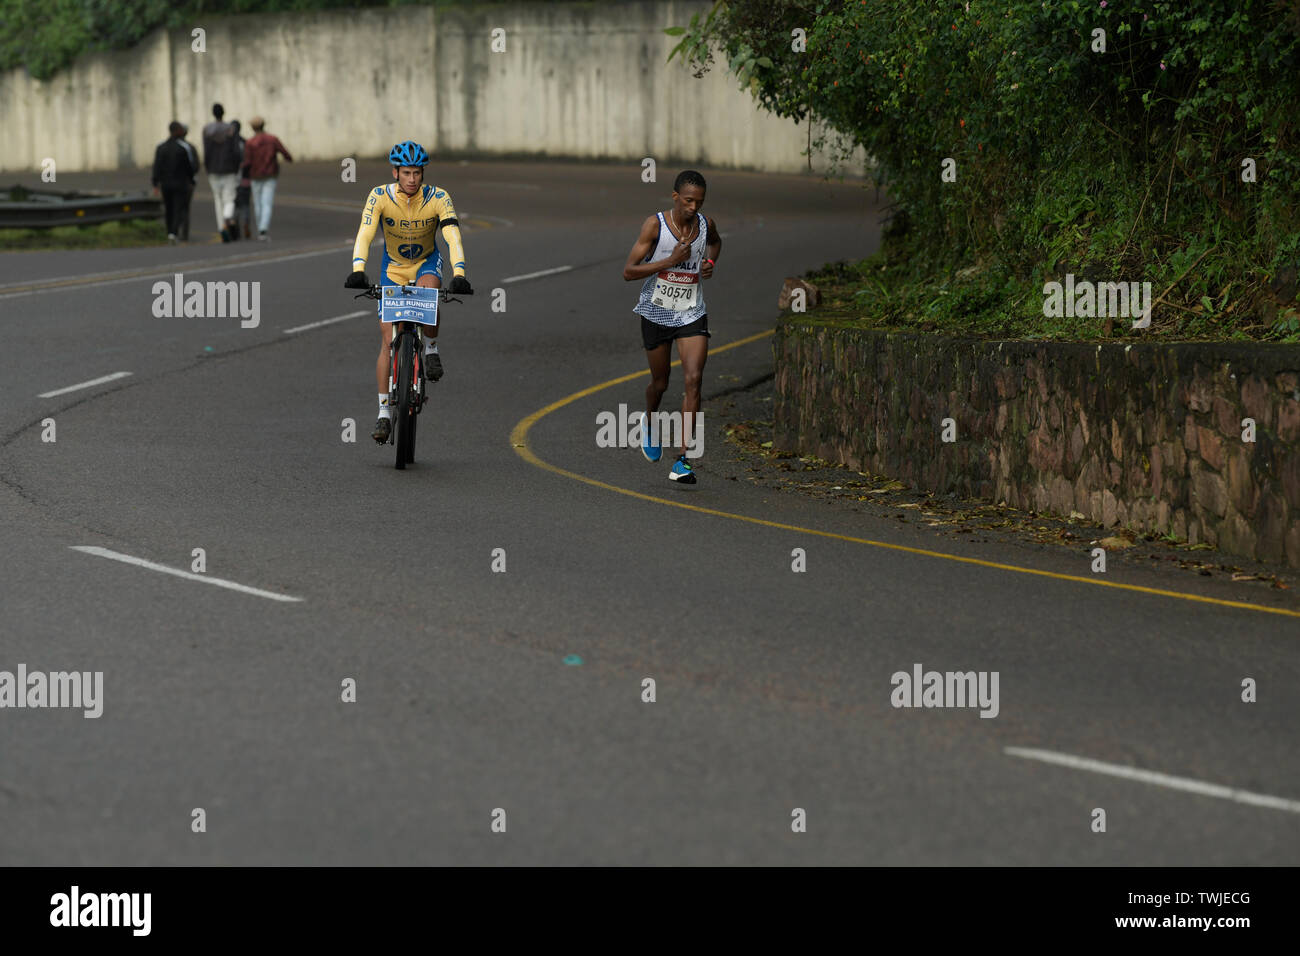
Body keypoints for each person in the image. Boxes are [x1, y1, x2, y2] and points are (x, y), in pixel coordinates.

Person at [343, 140, 473, 444]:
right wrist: (358, 268)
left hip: (426, 262)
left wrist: (460, 274)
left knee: (429, 295)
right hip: (393, 268)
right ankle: (384, 414)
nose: (412, 179)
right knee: (388, 340)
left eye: (417, 172)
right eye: (406, 173)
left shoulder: (439, 197)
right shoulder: (379, 196)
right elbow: (365, 232)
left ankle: (431, 349)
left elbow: (452, 235)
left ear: (423, 173)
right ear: (395, 172)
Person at [621, 169, 722, 484]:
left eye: (700, 202)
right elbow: (628, 271)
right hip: (656, 313)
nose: (694, 208)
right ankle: (649, 419)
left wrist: (709, 262)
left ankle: (682, 460)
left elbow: (716, 244)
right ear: (675, 196)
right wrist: (670, 260)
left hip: (691, 312)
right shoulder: (656, 225)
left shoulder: (706, 225)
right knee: (661, 384)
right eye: (689, 201)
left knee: (694, 379)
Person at [241, 116, 293, 240]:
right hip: (270, 174)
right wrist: (288, 158)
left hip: (255, 175)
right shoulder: (272, 139)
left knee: (258, 203)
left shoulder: (250, 143)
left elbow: (247, 161)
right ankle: (263, 230)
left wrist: (243, 173)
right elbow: (284, 152)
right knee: (267, 202)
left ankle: (261, 228)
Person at [201, 103, 242, 242]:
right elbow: (236, 152)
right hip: (229, 169)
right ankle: (226, 218)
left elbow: (206, 152)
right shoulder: (230, 130)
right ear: (223, 113)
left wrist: (207, 167)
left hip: (213, 169)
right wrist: (236, 168)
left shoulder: (206, 130)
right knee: (229, 198)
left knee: (218, 199)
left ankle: (221, 228)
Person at [151, 121, 197, 243]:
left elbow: (156, 167)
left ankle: (170, 232)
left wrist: (155, 183)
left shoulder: (161, 148)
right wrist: (191, 180)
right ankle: (174, 232)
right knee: (178, 208)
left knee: (169, 208)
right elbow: (189, 168)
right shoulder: (182, 148)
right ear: (177, 131)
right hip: (180, 184)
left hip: (165, 184)